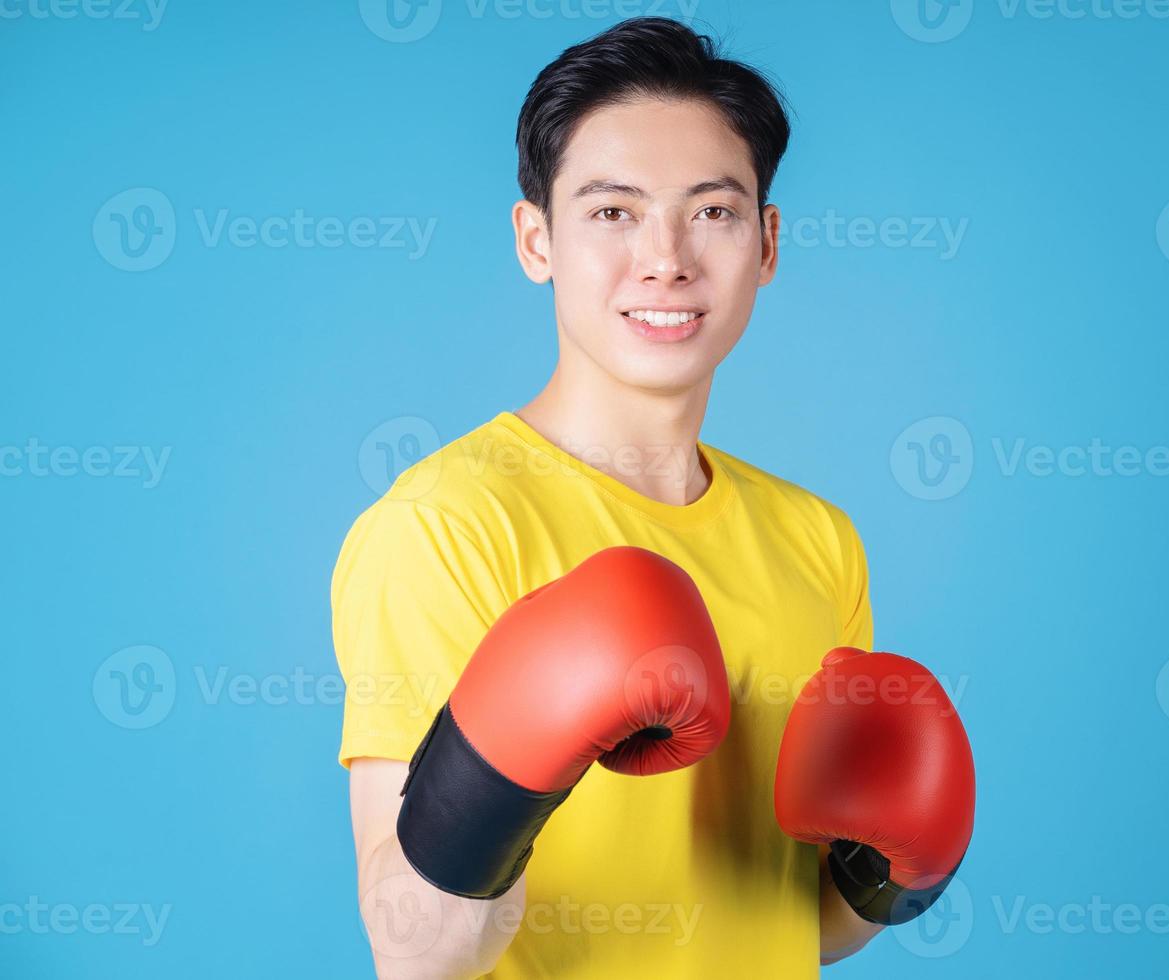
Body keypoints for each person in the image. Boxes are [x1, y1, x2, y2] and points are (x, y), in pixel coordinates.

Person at [331, 17, 972, 978]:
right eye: (613, 211)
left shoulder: (816, 537)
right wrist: (501, 760)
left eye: (711, 211)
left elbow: (811, 930)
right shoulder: (443, 526)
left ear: (767, 243)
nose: (666, 258)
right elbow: (415, 958)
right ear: (536, 239)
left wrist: (893, 873)